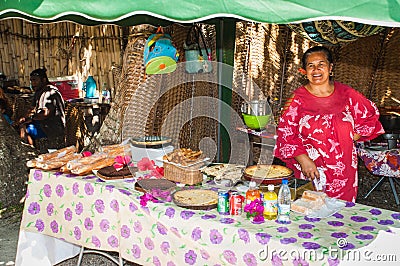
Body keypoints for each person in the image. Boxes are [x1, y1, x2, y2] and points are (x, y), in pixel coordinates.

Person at [274, 46, 384, 202]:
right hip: (312, 170)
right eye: (310, 65)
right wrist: (303, 160)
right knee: (309, 212)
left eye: (321, 64)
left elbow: (370, 113)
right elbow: (285, 133)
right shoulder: (297, 100)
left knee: (340, 215)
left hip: (344, 171)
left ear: (330, 67)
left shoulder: (346, 94)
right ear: (305, 71)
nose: (316, 69)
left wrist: (354, 135)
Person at [18, 68, 65, 146]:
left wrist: (31, 118)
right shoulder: (39, 91)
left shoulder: (50, 92)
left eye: (35, 80)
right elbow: (31, 108)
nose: (33, 83)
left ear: (43, 80)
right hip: (43, 123)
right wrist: (23, 118)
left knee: (25, 129)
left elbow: (46, 113)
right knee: (21, 125)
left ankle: (30, 151)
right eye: (31, 81)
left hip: (52, 127)